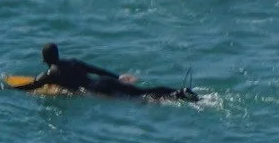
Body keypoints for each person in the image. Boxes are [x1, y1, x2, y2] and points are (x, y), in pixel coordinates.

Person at [25, 44, 199, 103]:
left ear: (46, 59)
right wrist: (118, 77)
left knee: (139, 99)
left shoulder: (50, 74)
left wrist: (0, 87)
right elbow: (96, 70)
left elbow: (30, 86)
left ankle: (177, 96)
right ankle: (178, 92)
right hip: (104, 81)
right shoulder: (72, 62)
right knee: (141, 92)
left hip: (99, 92)